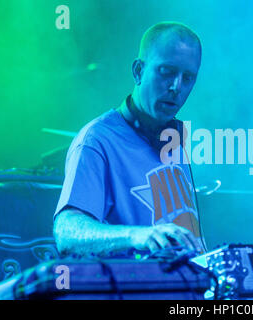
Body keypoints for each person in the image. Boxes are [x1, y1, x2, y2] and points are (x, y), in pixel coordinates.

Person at [53, 22, 205, 258]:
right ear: (138, 71)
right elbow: (66, 231)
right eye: (167, 72)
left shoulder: (174, 141)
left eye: (188, 78)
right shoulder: (96, 140)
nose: (176, 87)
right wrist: (137, 235)